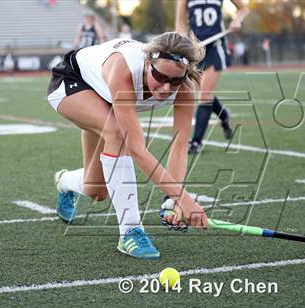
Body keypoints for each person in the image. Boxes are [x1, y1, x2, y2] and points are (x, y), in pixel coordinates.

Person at [47, 32, 208, 260]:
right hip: (73, 81)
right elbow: (137, 148)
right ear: (147, 63)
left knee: (97, 190)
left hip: (104, 97)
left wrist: (173, 200)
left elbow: (179, 147)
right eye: (160, 77)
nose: (165, 88)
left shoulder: (186, 89)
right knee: (117, 134)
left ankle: (64, 182)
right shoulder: (123, 68)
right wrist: (184, 199)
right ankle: (130, 231)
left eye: (175, 81)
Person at [175, 0, 249, 154]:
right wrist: (184, 43)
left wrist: (237, 20)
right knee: (204, 93)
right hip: (196, 48)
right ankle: (224, 115)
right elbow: (180, 23)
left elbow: (243, 9)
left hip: (216, 46)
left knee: (204, 94)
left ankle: (196, 142)